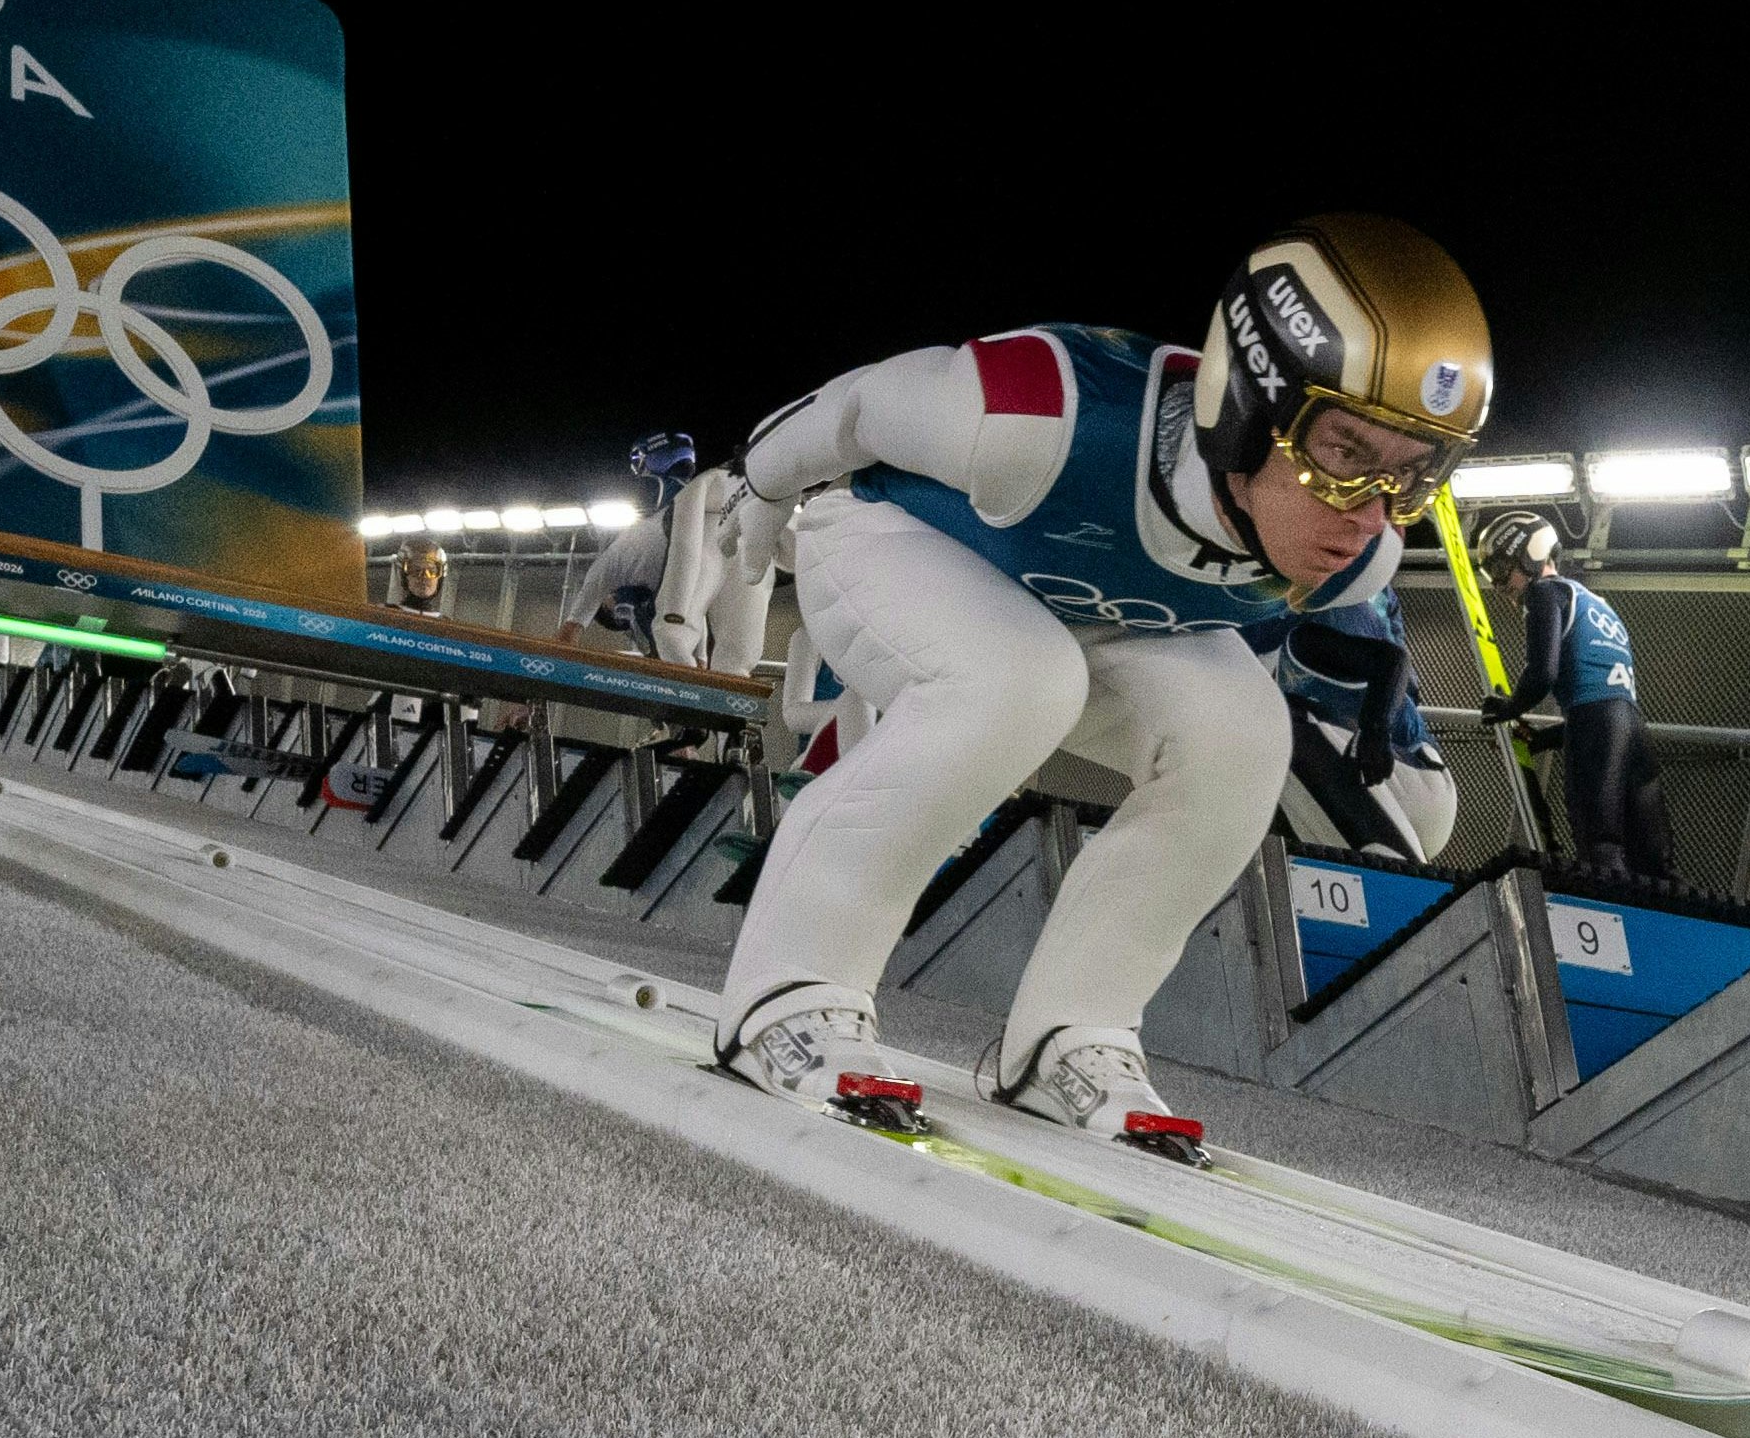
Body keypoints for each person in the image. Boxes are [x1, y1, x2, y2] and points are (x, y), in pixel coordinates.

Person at [710, 215, 1491, 1159]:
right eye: (1345, 453)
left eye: (1412, 473)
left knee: (1242, 734)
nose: (1370, 514)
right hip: (893, 535)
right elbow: (859, 409)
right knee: (1015, 680)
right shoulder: (1041, 416)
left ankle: (1069, 1033)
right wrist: (758, 486)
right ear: (1246, 405)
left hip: (1086, 604)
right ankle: (790, 986)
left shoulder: (1353, 560)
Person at [1473, 511, 1673, 879]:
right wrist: (1545, 738)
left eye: (1502, 569)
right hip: (1632, 727)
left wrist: (1509, 707)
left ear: (1529, 554)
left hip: (1595, 724)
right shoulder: (1595, 601)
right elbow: (1604, 699)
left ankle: (1608, 928)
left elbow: (1543, 672)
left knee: (1601, 845)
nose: (1499, 584)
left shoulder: (1544, 593)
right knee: (1654, 859)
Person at [1246, 587, 1458, 861]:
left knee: (1276, 724)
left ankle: (1392, 870)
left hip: (1409, 780)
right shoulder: (1356, 605)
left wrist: (1374, 731)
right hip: (1394, 777)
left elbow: (1393, 662)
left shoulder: (1308, 632)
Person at [560, 432, 773, 674]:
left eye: (614, 607)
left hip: (714, 529)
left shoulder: (611, 564)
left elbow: (569, 633)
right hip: (732, 536)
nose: (617, 604)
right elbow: (695, 621)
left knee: (672, 625)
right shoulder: (631, 560)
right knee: (729, 651)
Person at [394, 539, 448, 616]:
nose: (424, 577)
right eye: (416, 570)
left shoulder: (446, 625)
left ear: (440, 578)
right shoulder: (385, 614)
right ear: (404, 576)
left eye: (431, 571)